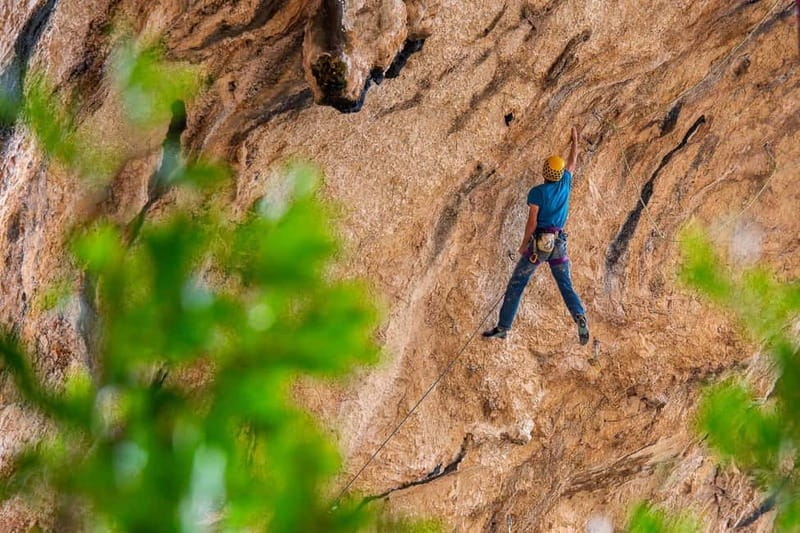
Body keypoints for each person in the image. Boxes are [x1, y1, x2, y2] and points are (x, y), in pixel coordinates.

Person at [483, 125, 589, 345]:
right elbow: (572, 162)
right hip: (558, 243)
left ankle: (503, 327)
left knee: (518, 282)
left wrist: (523, 245)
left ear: (544, 172)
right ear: (559, 174)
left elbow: (532, 221)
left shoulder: (537, 193)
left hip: (539, 245)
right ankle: (579, 315)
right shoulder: (565, 184)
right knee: (565, 284)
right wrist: (575, 140)